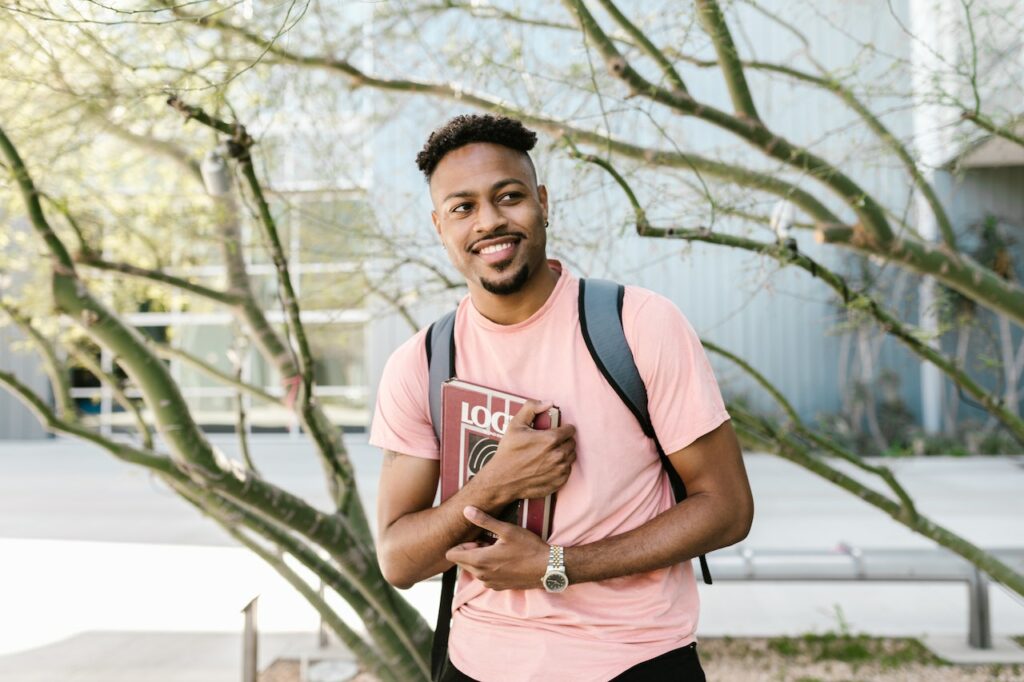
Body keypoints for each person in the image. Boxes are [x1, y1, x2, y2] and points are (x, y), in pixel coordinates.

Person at [370, 114, 754, 682]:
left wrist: (552, 565)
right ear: (438, 226)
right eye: (463, 207)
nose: (490, 221)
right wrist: (497, 483)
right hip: (475, 664)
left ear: (542, 202)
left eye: (509, 196)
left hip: (634, 661)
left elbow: (726, 509)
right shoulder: (422, 364)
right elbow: (399, 560)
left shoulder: (637, 326)